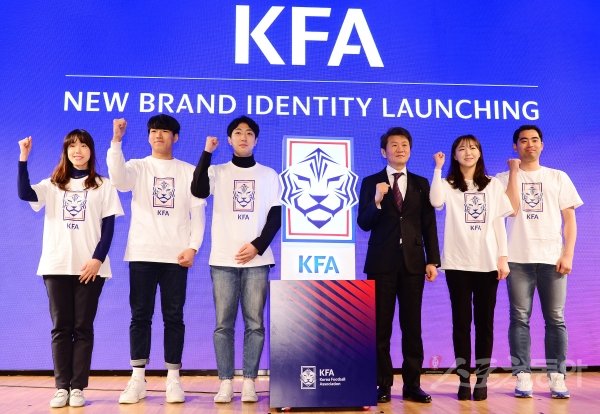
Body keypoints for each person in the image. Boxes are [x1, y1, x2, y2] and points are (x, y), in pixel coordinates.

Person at [17, 130, 123, 408]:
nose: (78, 150)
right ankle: (61, 387)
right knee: (61, 328)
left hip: (90, 268)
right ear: (65, 152)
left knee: (82, 327)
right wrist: (23, 158)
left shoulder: (103, 185)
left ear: (91, 151)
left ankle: (78, 388)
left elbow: (109, 227)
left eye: (83, 145)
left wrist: (97, 259)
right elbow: (25, 193)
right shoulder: (53, 184)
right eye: (72, 146)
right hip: (56, 265)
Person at [107, 115, 206, 404]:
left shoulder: (188, 171)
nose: (158, 135)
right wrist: (116, 141)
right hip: (142, 253)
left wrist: (193, 247)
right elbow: (119, 181)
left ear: (176, 137)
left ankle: (173, 379)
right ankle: (137, 379)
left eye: (164, 131)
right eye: (153, 131)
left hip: (176, 256)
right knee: (140, 316)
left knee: (174, 317)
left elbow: (198, 213)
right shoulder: (138, 166)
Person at [191, 115, 281, 404]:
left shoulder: (269, 175)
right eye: (238, 133)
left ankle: (250, 381)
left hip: (257, 261)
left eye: (249, 133)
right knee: (223, 324)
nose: (244, 137)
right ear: (229, 140)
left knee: (255, 323)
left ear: (256, 140)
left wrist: (257, 246)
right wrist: (207, 152)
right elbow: (198, 190)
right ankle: (226, 381)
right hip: (223, 259)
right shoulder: (217, 171)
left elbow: (276, 216)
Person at [496, 125, 582, 399]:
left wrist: (568, 253)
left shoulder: (558, 177)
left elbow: (569, 220)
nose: (529, 144)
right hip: (517, 260)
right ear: (515, 146)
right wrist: (513, 172)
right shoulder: (502, 178)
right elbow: (510, 210)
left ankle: (557, 377)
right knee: (519, 318)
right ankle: (522, 375)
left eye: (535, 140)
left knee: (555, 318)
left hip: (551, 259)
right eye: (523, 140)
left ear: (542, 145)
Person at [357, 127, 440, 404]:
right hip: (381, 263)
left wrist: (432, 260)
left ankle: (412, 385)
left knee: (412, 326)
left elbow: (428, 224)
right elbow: (364, 223)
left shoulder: (421, 183)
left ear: (410, 150)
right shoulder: (371, 182)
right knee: (380, 327)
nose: (400, 149)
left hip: (414, 265)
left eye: (404, 144)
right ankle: (382, 384)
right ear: (384, 151)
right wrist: (377, 200)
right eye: (394, 145)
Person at [429, 135, 513, 401]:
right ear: (455, 155)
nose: (468, 152)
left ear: (480, 153)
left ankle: (483, 379)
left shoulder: (493, 184)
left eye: (473, 148)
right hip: (457, 263)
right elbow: (435, 202)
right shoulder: (448, 184)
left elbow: (499, 223)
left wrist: (503, 257)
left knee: (485, 324)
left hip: (487, 263)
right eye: (462, 148)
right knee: (461, 323)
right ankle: (464, 379)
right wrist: (438, 168)